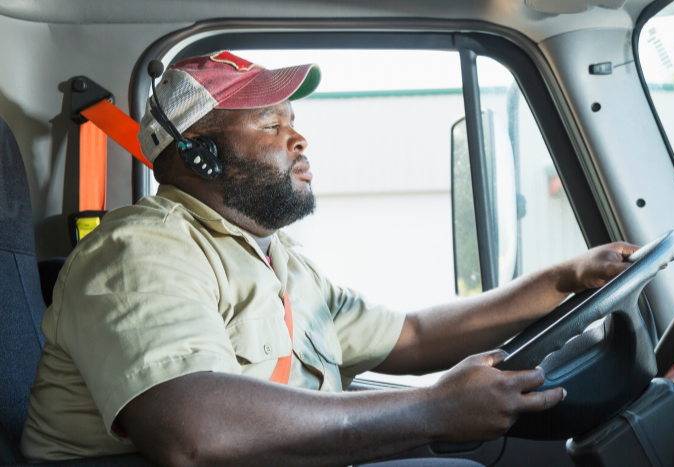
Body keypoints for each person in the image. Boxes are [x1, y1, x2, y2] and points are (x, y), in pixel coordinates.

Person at [20, 51, 639, 466]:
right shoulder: (142, 251)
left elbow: (414, 336)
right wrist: (432, 408)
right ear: (198, 156)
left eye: (294, 120)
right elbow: (192, 433)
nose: (298, 137)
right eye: (269, 124)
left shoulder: (275, 259)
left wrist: (564, 278)